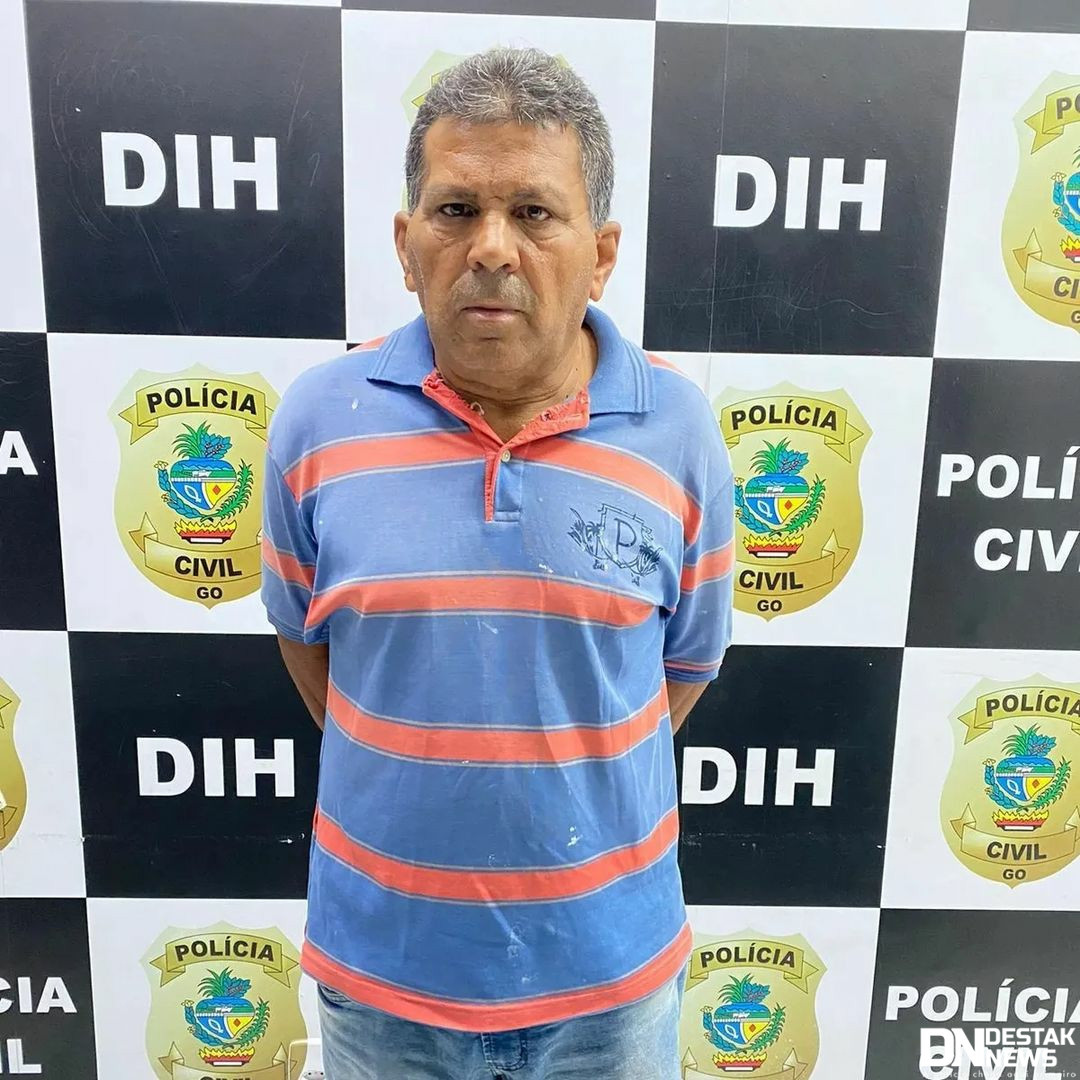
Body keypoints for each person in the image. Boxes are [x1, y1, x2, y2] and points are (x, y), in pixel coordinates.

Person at [261, 45, 734, 1080]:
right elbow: (308, 647)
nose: (491, 248)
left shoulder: (681, 431)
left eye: (533, 212)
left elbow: (683, 668)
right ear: (405, 243)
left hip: (610, 985)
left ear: (600, 253)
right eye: (455, 209)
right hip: (384, 977)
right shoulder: (315, 422)